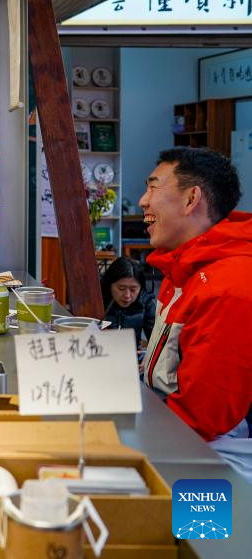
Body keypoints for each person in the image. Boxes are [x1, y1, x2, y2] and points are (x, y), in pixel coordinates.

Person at [138, 147, 252, 481]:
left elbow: (202, 418)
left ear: (191, 199)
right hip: (178, 444)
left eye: (153, 187)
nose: (143, 201)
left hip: (213, 463)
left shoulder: (228, 288)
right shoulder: (181, 271)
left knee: (199, 532)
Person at [100, 256, 155, 344]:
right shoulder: (98, 300)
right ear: (109, 285)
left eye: (133, 289)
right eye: (121, 288)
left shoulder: (146, 301)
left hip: (133, 353)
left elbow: (155, 339)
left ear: (140, 288)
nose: (127, 295)